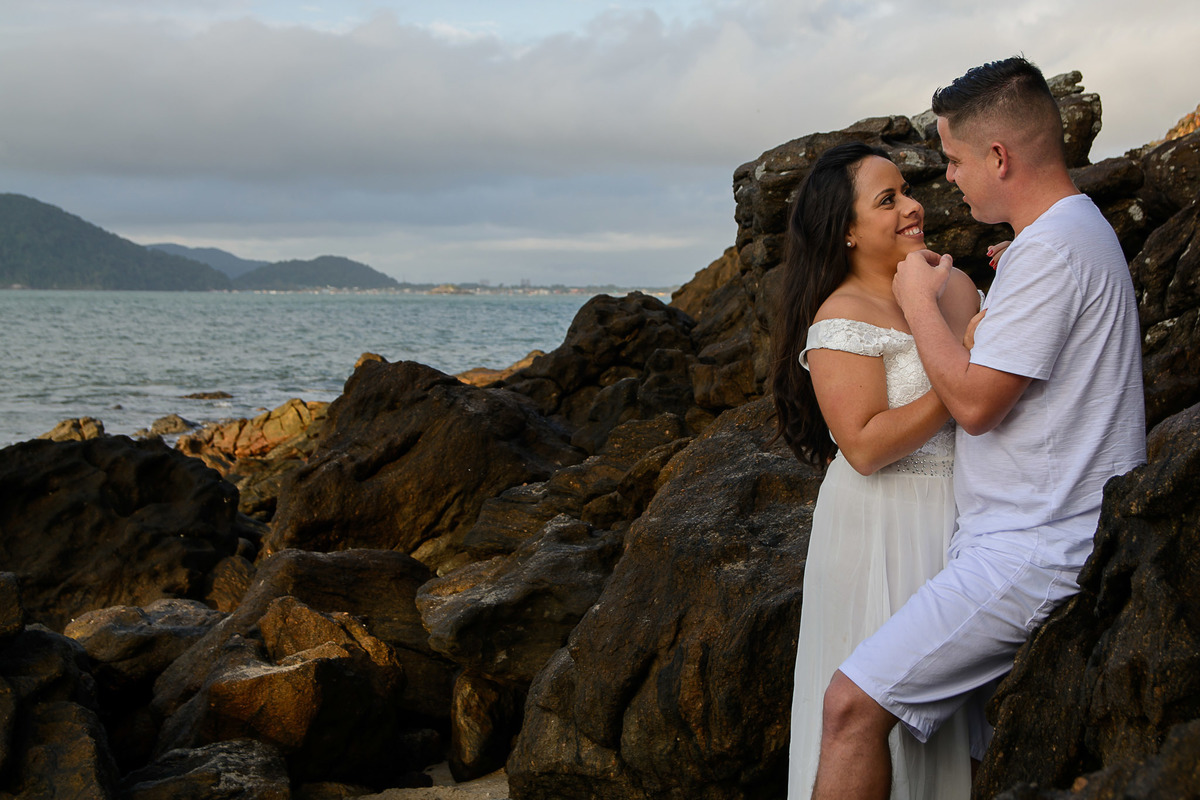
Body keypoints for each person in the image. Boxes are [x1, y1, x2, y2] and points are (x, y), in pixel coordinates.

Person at [810, 57, 1147, 799]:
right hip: (1016, 538)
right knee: (970, 763)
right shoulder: (1060, 241)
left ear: (999, 156)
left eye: (955, 160)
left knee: (848, 707)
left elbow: (971, 403)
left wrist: (919, 300)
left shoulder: (1052, 252)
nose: (949, 182)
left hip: (1031, 551)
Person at [771, 141, 983, 798]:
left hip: (959, 519)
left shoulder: (951, 287)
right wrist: (957, 380)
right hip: (878, 529)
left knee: (952, 715)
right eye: (888, 199)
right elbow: (862, 444)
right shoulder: (841, 317)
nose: (913, 206)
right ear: (847, 229)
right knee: (876, 710)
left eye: (907, 191)